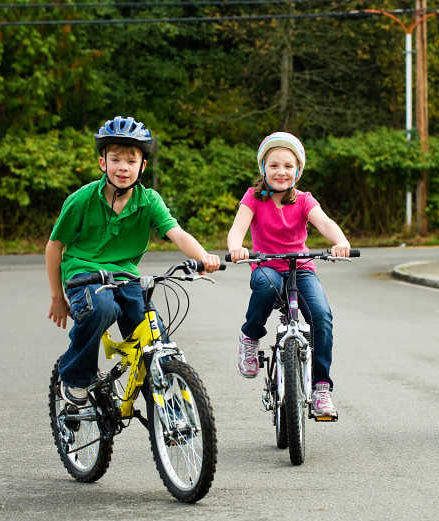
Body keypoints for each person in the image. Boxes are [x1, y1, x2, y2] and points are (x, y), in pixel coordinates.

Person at [46, 115, 221, 406]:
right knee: (101, 308)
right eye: (115, 159)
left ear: (142, 165)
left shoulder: (149, 200)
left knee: (155, 338)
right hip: (84, 274)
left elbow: (176, 233)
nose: (123, 167)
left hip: (126, 276)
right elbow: (55, 246)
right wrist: (57, 297)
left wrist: (202, 256)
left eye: (131, 160)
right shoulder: (82, 199)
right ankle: (76, 375)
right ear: (103, 163)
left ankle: (172, 414)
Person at [227, 132, 350, 418]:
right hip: (267, 265)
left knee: (321, 316)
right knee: (266, 288)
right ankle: (250, 337)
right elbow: (238, 228)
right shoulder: (254, 198)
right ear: (263, 169)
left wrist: (340, 242)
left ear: (297, 170)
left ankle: (321, 388)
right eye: (274, 165)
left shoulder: (305, 200)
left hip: (301, 268)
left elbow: (325, 222)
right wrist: (236, 247)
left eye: (288, 166)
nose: (281, 172)